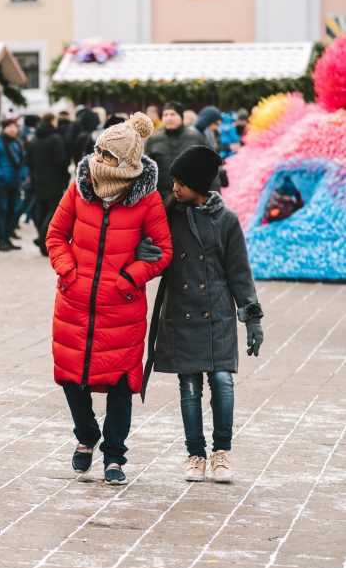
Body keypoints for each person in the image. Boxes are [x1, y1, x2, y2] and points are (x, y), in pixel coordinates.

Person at [46, 112, 172, 485]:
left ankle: (114, 455)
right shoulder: (79, 187)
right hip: (75, 301)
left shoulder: (146, 200)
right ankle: (86, 435)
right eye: (98, 151)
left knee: (120, 384)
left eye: (108, 156)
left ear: (128, 164)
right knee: (71, 376)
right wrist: (69, 272)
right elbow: (55, 235)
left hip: (122, 306)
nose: (98, 160)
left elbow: (164, 250)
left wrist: (131, 278)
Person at [142, 145, 263, 483]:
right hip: (181, 312)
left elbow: (239, 271)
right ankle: (194, 454)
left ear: (199, 183)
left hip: (218, 312)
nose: (175, 188)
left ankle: (221, 452)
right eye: (173, 182)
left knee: (223, 381)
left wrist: (251, 316)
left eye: (181, 182)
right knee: (189, 385)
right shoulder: (169, 216)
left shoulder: (226, 220)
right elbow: (154, 254)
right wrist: (144, 252)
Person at [145, 101, 206, 198]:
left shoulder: (196, 138)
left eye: (173, 114)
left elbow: (207, 168)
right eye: (165, 115)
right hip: (161, 198)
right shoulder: (153, 139)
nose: (169, 118)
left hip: (189, 198)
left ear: (181, 117)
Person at [0, 117, 27, 251]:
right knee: (1, 211)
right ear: (4, 128)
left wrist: (23, 173)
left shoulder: (18, 143)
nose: (12, 129)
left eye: (14, 126)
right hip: (0, 183)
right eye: (9, 126)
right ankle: (1, 240)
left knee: (12, 211)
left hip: (15, 182)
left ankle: (7, 238)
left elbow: (23, 160)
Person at [30, 112, 69, 256]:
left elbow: (29, 161)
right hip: (54, 180)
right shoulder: (56, 139)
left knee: (41, 211)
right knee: (52, 212)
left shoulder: (34, 139)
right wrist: (64, 175)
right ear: (53, 122)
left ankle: (42, 239)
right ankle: (43, 239)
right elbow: (61, 160)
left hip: (38, 180)